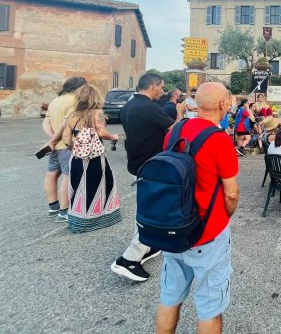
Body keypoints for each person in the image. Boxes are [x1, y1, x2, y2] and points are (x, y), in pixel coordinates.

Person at [155, 82, 240, 334]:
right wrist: (224, 217)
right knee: (209, 308)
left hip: (173, 227)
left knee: (170, 298)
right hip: (206, 232)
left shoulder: (175, 130)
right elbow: (232, 193)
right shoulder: (218, 139)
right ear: (224, 104)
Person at [111, 73, 186, 282]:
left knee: (149, 206)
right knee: (155, 211)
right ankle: (129, 259)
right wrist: (179, 113)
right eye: (161, 87)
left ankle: (149, 245)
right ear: (153, 86)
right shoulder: (149, 107)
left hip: (138, 163)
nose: (162, 91)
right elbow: (175, 129)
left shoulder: (128, 106)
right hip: (153, 165)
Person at [48, 85, 121, 233]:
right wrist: (113, 137)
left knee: (78, 187)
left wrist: (76, 148)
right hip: (95, 158)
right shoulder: (97, 113)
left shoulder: (72, 116)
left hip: (77, 158)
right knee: (100, 185)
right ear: (95, 98)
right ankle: (100, 218)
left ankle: (80, 221)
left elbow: (67, 139)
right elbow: (101, 132)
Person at [41, 76, 86, 221]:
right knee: (68, 176)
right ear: (79, 87)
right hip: (67, 144)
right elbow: (66, 123)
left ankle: (53, 207)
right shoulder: (75, 100)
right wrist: (56, 139)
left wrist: (52, 139)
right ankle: (64, 212)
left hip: (54, 146)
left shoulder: (55, 101)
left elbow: (46, 122)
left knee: (51, 174)